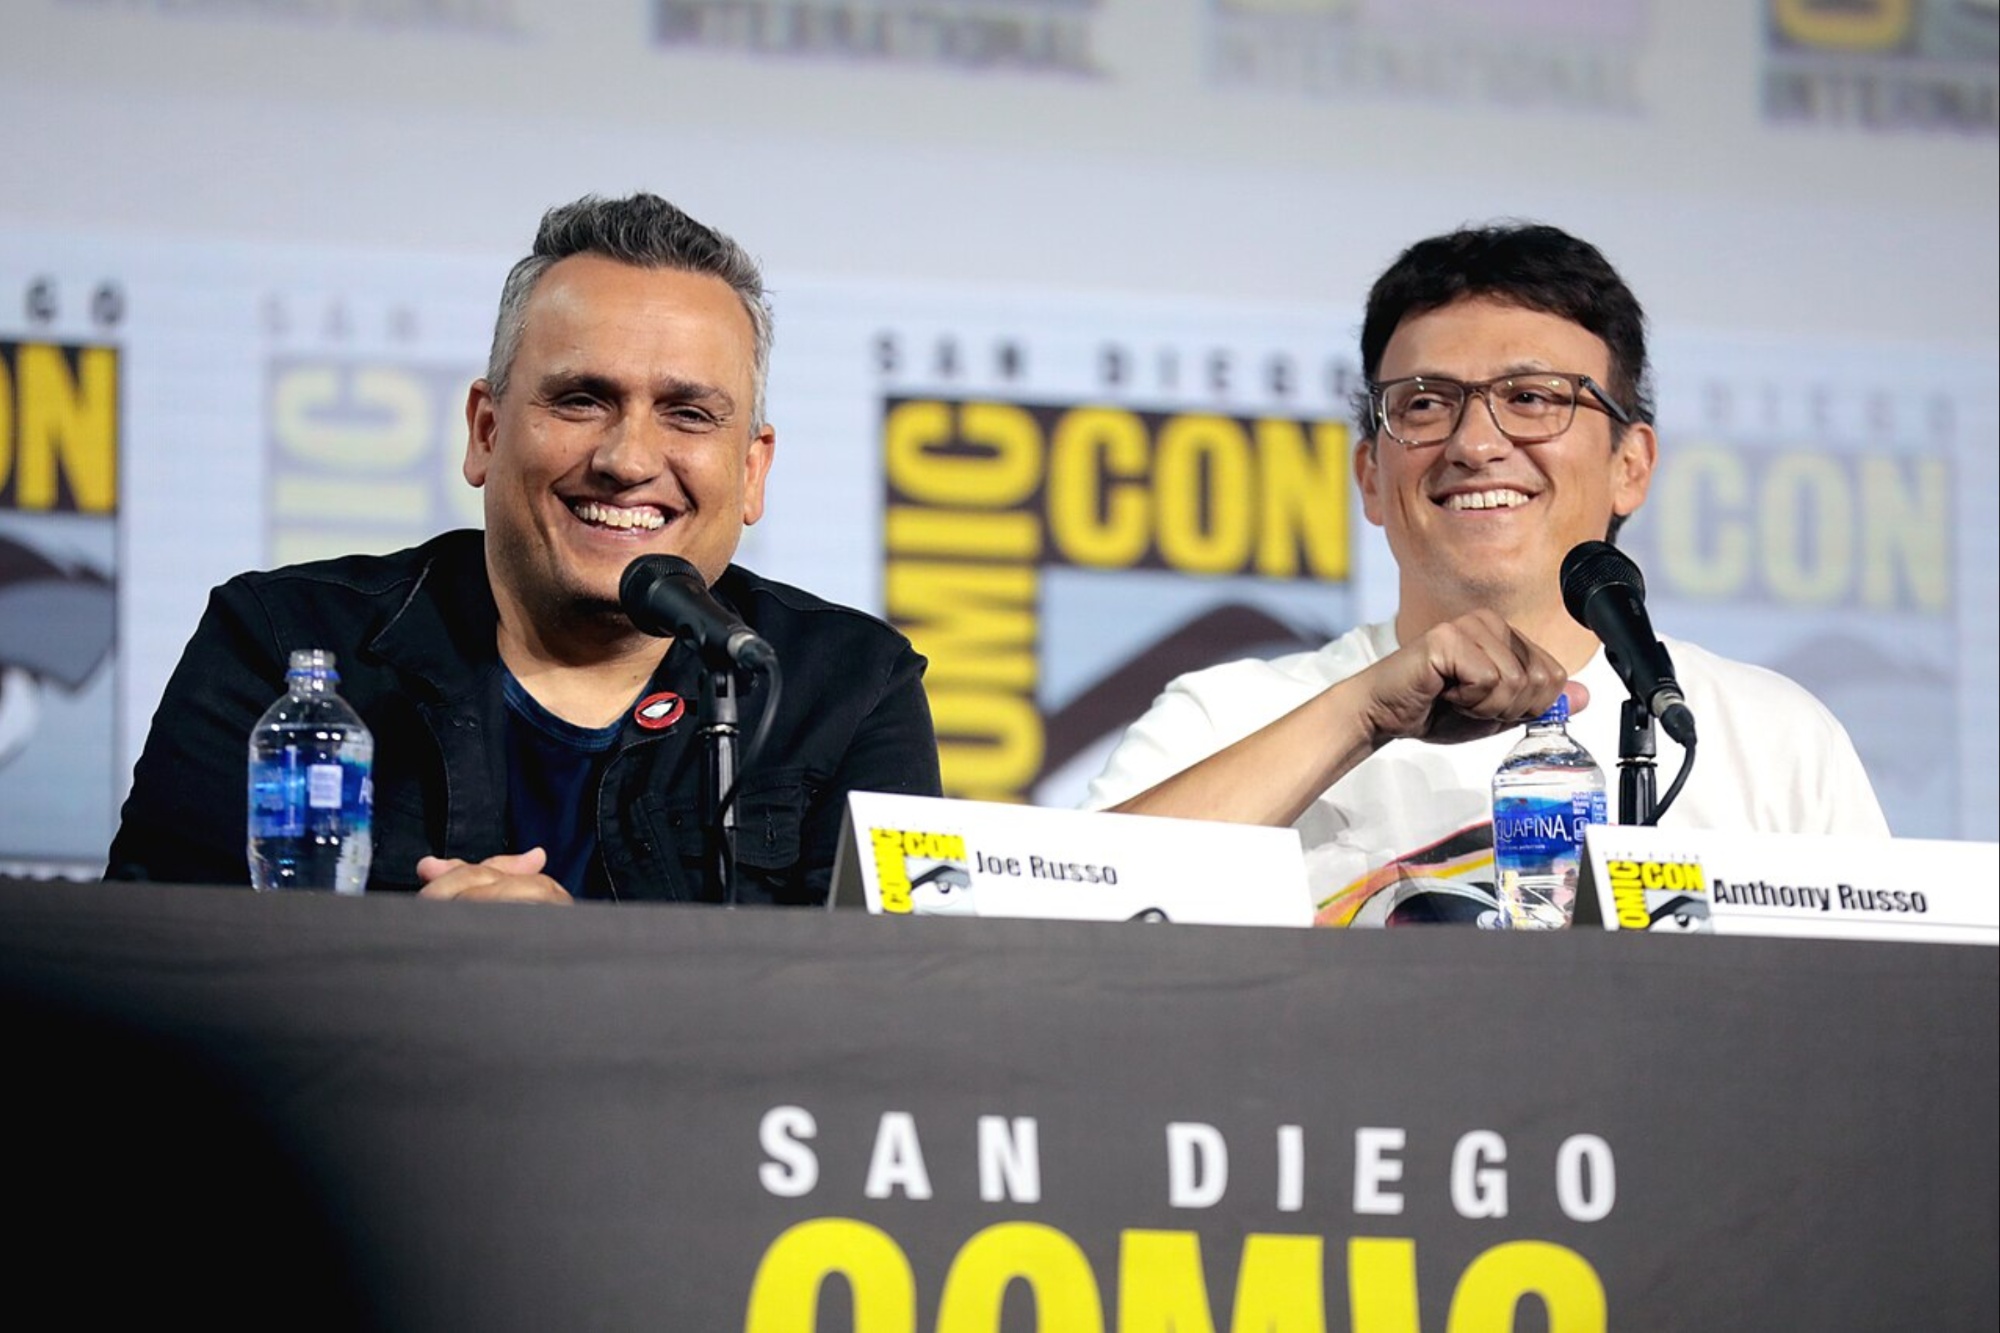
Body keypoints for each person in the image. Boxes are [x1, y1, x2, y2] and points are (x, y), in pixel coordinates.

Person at [108, 193, 941, 904]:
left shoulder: (851, 689)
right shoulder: (279, 641)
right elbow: (137, 984)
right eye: (582, 399)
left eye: (688, 413)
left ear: (752, 469)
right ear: (485, 429)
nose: (627, 460)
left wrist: (564, 980)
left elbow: (903, 1018)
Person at [1084, 223, 1887, 924]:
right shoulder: (1230, 718)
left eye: (1533, 397)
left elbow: (1884, 1030)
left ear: (1631, 465)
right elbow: (1064, 929)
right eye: (1426, 404)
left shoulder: (1769, 739)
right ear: (1370, 474)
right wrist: (1360, 714)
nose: (1475, 442)